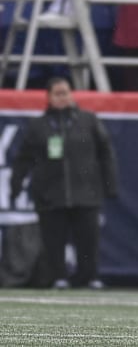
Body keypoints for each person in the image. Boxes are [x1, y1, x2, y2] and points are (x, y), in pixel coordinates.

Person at [9, 77, 118, 290]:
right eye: (58, 94)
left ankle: (89, 276)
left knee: (88, 239)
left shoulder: (87, 120)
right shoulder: (38, 125)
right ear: (48, 97)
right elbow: (24, 158)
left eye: (66, 92)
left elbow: (106, 152)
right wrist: (16, 184)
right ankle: (58, 276)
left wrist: (110, 183)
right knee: (53, 240)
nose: (63, 97)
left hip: (85, 190)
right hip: (50, 192)